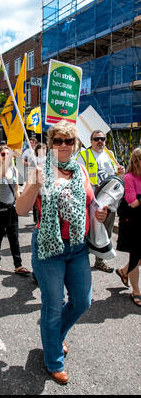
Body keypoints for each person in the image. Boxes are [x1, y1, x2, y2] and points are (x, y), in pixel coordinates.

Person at [16, 120, 108, 385]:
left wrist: (99, 213)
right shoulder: (39, 170)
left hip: (78, 247)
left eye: (69, 141)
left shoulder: (80, 169)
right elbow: (21, 210)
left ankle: (54, 337)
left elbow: (90, 204)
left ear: (76, 144)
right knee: (53, 306)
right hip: (48, 249)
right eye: (58, 141)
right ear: (51, 143)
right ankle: (53, 359)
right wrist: (34, 185)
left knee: (82, 301)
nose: (64, 146)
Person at [77, 130, 125, 273]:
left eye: (103, 138)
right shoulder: (84, 155)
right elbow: (78, 175)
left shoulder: (109, 154)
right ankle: (81, 261)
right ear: (91, 141)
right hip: (91, 201)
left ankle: (100, 260)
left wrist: (120, 172)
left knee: (106, 230)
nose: (100, 141)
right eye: (97, 138)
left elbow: (115, 175)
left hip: (108, 201)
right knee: (87, 231)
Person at [0, 145, 30, 275]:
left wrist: (19, 204)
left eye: (8, 154)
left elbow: (16, 189)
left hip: (11, 206)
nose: (6, 156)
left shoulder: (15, 170)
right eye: (3, 154)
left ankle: (18, 265)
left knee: (14, 236)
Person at [116, 147, 141, 307]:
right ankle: (136, 291)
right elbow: (132, 203)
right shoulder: (128, 178)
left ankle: (123, 271)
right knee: (135, 257)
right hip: (133, 223)